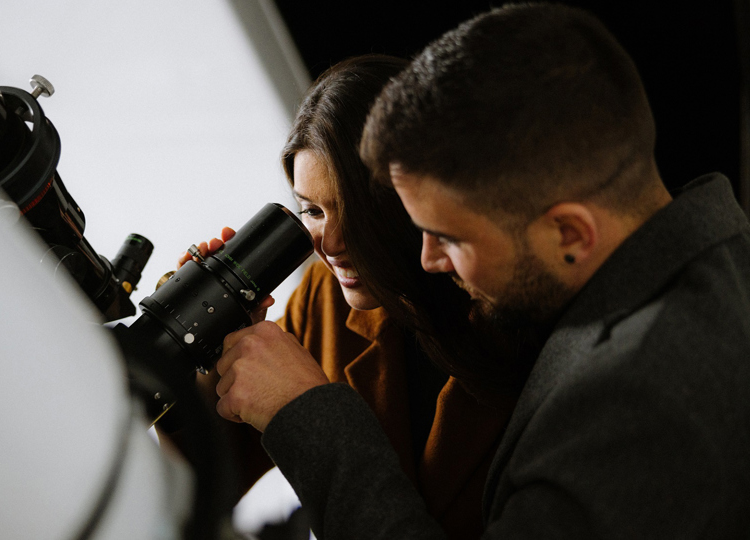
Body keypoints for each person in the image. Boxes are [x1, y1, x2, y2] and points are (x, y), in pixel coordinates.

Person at [214, 3, 750, 539]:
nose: (428, 258)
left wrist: (310, 418)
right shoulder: (695, 267)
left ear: (569, 234)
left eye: (450, 237)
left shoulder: (640, 399)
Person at [178, 54, 529, 539]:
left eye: (355, 208)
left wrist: (310, 413)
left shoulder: (522, 324)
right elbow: (207, 484)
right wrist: (207, 351)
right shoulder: (322, 302)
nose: (332, 243)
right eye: (313, 211)